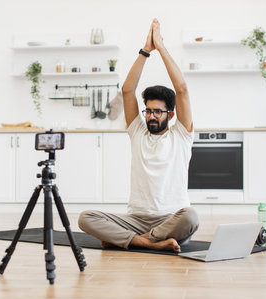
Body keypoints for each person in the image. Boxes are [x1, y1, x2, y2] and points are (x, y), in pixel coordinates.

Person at [78, 19, 198, 253]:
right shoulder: (137, 131)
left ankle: (132, 240)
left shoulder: (181, 134)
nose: (151, 116)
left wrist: (161, 48)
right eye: (148, 110)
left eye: (157, 112)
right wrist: (145, 51)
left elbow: (182, 88)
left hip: (172, 219)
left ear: (171, 114)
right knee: (86, 218)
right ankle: (148, 242)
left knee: (191, 217)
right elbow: (127, 90)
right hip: (136, 218)